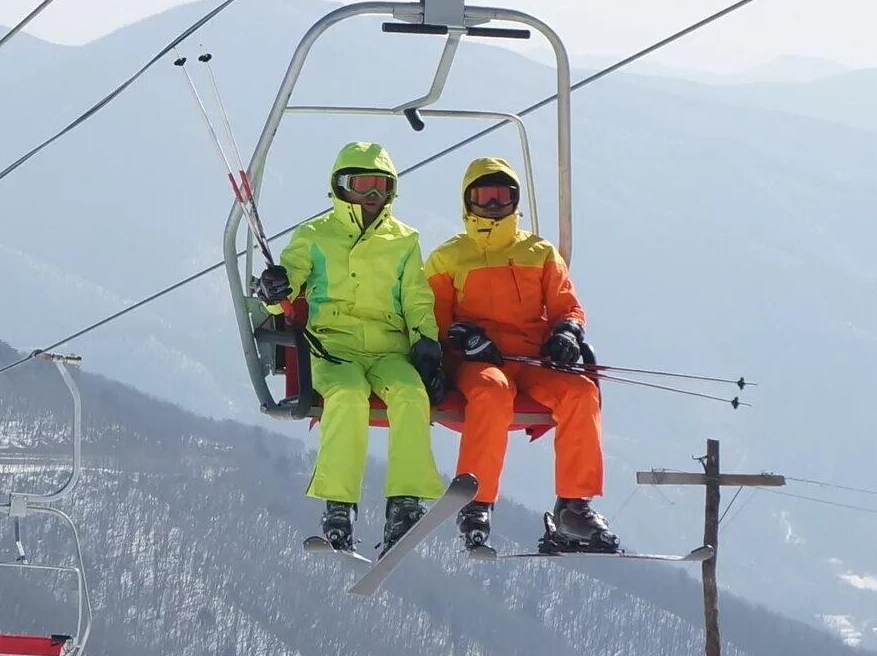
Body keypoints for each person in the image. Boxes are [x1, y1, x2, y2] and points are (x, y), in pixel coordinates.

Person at [255, 142, 447, 553]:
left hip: (388, 349)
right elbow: (287, 283)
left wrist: (426, 341)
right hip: (331, 347)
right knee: (347, 395)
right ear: (341, 187)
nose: (372, 198)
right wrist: (273, 288)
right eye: (363, 186)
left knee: (412, 396)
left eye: (381, 188)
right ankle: (339, 503)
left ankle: (405, 502)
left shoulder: (404, 240)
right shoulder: (315, 235)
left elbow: (416, 297)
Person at [428, 156, 619, 552]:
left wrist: (567, 331)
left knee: (581, 392)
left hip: (533, 359)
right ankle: (477, 500)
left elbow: (568, 306)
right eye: (484, 196)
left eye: (503, 196)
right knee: (493, 393)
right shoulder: (449, 258)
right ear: (468, 202)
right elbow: (431, 322)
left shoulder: (540, 252)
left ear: (516, 200)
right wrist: (464, 338)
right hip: (479, 362)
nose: (494, 206)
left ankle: (573, 507)